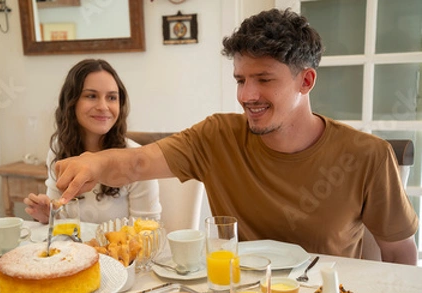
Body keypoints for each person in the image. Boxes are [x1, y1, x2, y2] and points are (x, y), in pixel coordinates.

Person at [52, 9, 419, 265]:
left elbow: (400, 255)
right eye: (241, 80)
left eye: (264, 79)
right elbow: (135, 162)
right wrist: (94, 162)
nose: (246, 95)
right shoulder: (216, 135)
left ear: (305, 81)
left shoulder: (368, 155)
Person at [24, 59, 161, 224]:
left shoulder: (136, 159)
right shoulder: (59, 148)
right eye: (91, 96)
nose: (103, 106)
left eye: (111, 97)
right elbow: (61, 217)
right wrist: (48, 215)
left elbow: (148, 231)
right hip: (74, 249)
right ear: (71, 102)